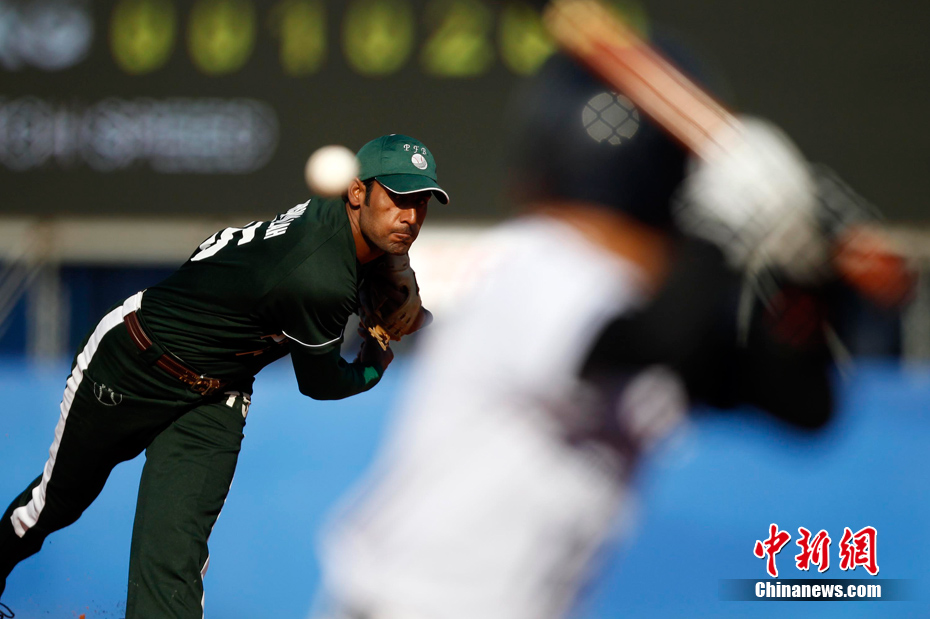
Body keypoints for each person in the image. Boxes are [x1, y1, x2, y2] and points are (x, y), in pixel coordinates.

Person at [311, 44, 847, 619]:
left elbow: (802, 404)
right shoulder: (538, 263)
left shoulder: (650, 307)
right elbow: (643, 341)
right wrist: (722, 229)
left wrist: (802, 272)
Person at [0, 133, 449, 617]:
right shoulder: (317, 277)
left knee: (173, 555)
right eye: (398, 198)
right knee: (52, 506)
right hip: (134, 361)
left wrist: (392, 265)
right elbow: (321, 384)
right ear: (357, 192)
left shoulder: (339, 220)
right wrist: (374, 358)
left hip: (216, 395)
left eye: (421, 201)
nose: (411, 215)